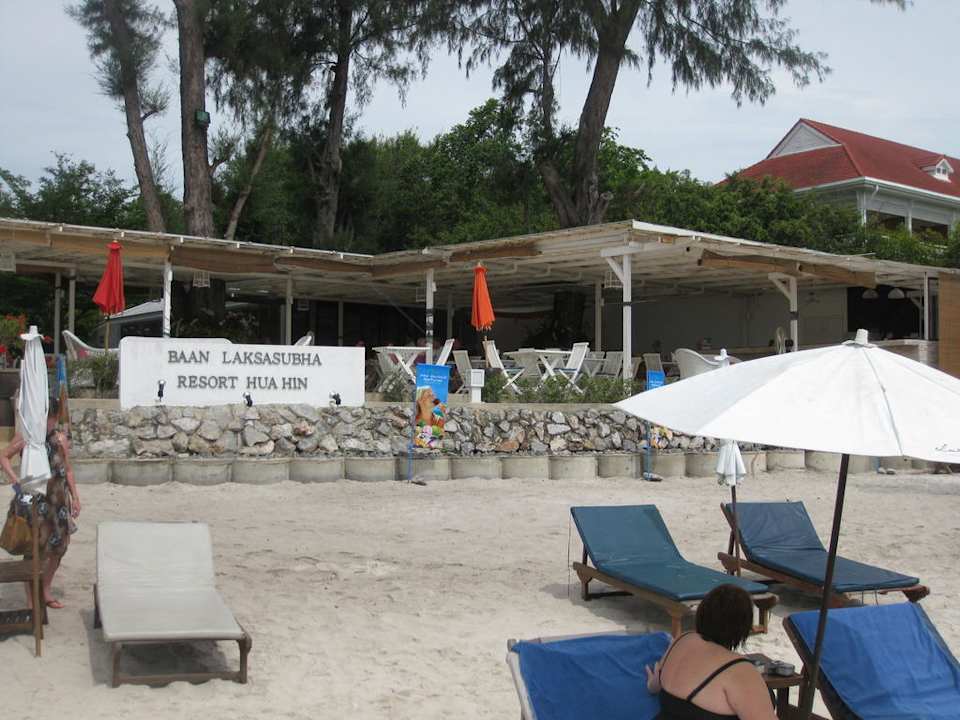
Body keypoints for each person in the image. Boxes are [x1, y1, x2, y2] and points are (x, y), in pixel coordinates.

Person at [646, 584, 776, 720]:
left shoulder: (683, 639)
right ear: (743, 627)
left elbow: (655, 686)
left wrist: (652, 684)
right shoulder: (739, 670)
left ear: (702, 613)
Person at [1, 395, 80, 609]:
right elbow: (4, 457)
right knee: (33, 549)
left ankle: (45, 591)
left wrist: (75, 498)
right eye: (48, 417)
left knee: (59, 547)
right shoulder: (26, 437)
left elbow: (68, 470)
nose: (51, 422)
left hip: (58, 502)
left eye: (53, 418)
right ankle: (31, 600)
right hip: (33, 503)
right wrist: (17, 481)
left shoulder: (60, 439)